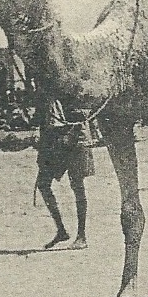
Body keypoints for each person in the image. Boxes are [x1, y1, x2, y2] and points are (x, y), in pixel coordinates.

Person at [35, 95, 94, 249]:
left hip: (75, 141)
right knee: (43, 184)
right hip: (55, 143)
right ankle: (61, 230)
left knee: (78, 187)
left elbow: (83, 113)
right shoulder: (46, 87)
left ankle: (82, 236)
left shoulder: (71, 83)